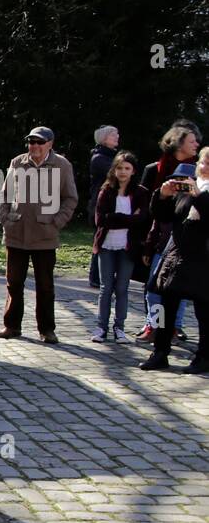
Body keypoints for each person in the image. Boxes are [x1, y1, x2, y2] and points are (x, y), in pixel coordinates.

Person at [0, 126, 79, 344]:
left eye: (39, 142)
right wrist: (5, 219)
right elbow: (5, 194)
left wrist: (57, 222)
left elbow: (70, 198)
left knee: (45, 285)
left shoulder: (61, 165)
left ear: (50, 144)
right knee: (13, 283)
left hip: (45, 235)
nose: (34, 146)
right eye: (31, 142)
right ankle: (11, 326)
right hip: (17, 232)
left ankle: (47, 329)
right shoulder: (18, 162)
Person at [140, 162, 208, 373]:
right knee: (163, 307)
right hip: (176, 259)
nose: (204, 166)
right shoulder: (187, 189)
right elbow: (164, 216)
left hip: (203, 262)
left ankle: (204, 357)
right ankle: (159, 352)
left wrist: (199, 196)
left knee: (204, 313)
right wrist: (163, 195)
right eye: (203, 162)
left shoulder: (200, 192)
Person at [137, 124, 200, 342]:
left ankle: (174, 326)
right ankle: (154, 325)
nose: (197, 144)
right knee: (155, 286)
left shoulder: (198, 171)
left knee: (179, 287)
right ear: (178, 142)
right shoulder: (155, 169)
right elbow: (149, 207)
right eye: (192, 141)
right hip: (159, 235)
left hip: (186, 237)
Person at [91, 151, 150, 343]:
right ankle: (101, 327)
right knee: (105, 287)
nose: (123, 172)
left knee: (122, 288)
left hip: (128, 247)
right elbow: (101, 220)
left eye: (127, 168)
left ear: (133, 171)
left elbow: (142, 220)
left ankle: (120, 327)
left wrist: (116, 218)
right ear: (114, 170)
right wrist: (128, 219)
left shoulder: (140, 193)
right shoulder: (106, 191)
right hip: (107, 244)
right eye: (119, 168)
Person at [87, 126, 120, 288]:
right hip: (101, 206)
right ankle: (96, 276)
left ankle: (105, 275)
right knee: (101, 240)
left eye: (117, 134)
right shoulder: (99, 158)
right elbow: (116, 175)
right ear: (104, 138)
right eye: (113, 134)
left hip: (115, 204)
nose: (117, 137)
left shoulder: (114, 157)